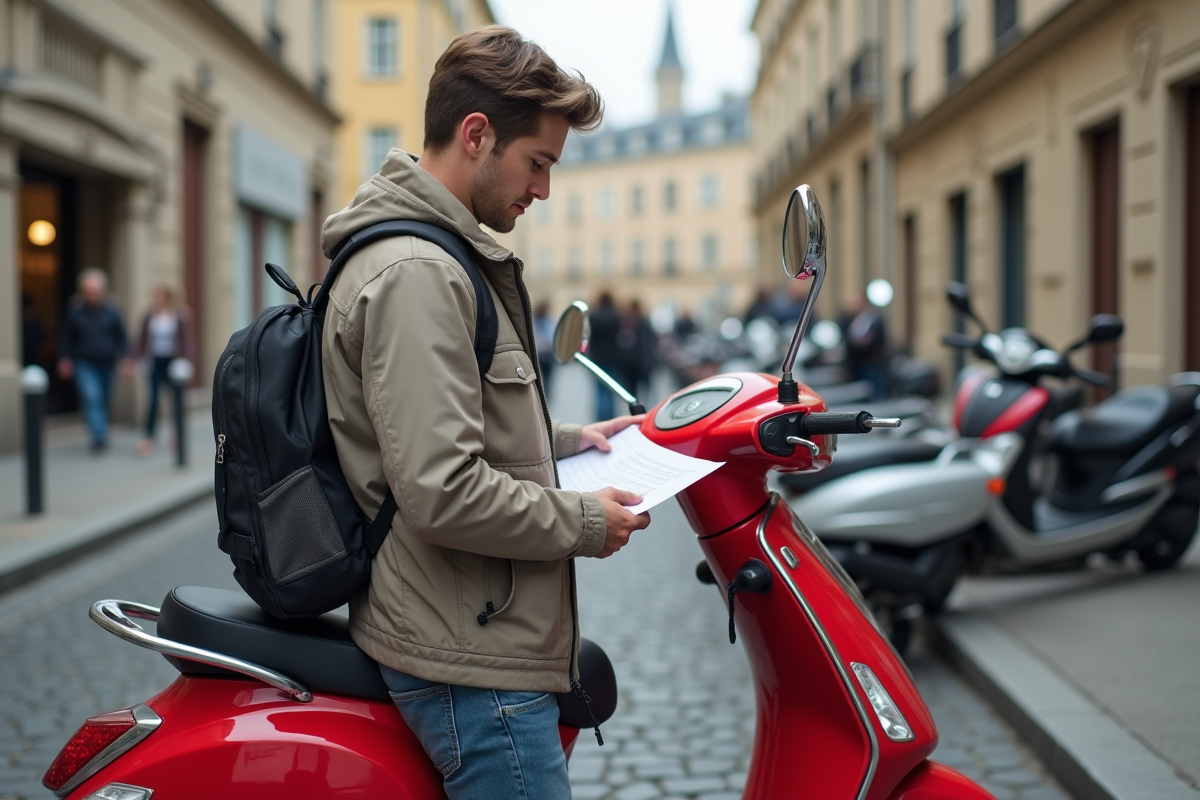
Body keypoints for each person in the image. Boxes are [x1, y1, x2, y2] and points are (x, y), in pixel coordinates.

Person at [318, 27, 651, 799]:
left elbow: (450, 423)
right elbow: (440, 488)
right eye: (538, 163)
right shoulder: (418, 273)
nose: (542, 190)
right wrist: (588, 522)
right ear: (476, 137)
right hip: (468, 657)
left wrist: (573, 441)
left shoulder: (440, 255)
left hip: (468, 626)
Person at [58, 269, 128, 453]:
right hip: (84, 362)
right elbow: (66, 336)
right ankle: (99, 437)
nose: (92, 293)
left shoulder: (112, 309)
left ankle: (101, 430)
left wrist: (127, 358)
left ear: (102, 290)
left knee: (103, 398)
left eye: (95, 289)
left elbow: (121, 336)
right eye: (88, 290)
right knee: (92, 397)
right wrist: (64, 358)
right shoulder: (74, 309)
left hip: (108, 362)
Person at [134, 286, 195, 456]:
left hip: (173, 362)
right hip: (154, 362)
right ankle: (148, 437)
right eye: (155, 296)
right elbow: (140, 340)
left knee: (175, 400)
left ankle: (177, 435)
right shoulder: (149, 316)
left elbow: (187, 341)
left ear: (168, 297)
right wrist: (135, 358)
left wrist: (187, 362)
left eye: (160, 296)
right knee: (153, 400)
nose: (157, 300)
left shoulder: (180, 316)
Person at [840, 292, 889, 399]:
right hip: (856, 366)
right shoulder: (848, 320)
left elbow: (880, 340)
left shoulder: (874, 319)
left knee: (875, 395)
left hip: (871, 365)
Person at [587, 291, 622, 420]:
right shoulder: (616, 316)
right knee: (611, 388)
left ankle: (600, 417)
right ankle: (611, 417)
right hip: (613, 357)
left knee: (599, 389)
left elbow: (590, 338)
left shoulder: (594, 316)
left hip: (597, 358)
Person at [532, 299, 557, 396]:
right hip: (541, 354)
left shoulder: (548, 321)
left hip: (545, 354)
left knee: (545, 378)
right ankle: (543, 395)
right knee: (542, 378)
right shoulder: (535, 322)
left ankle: (544, 395)